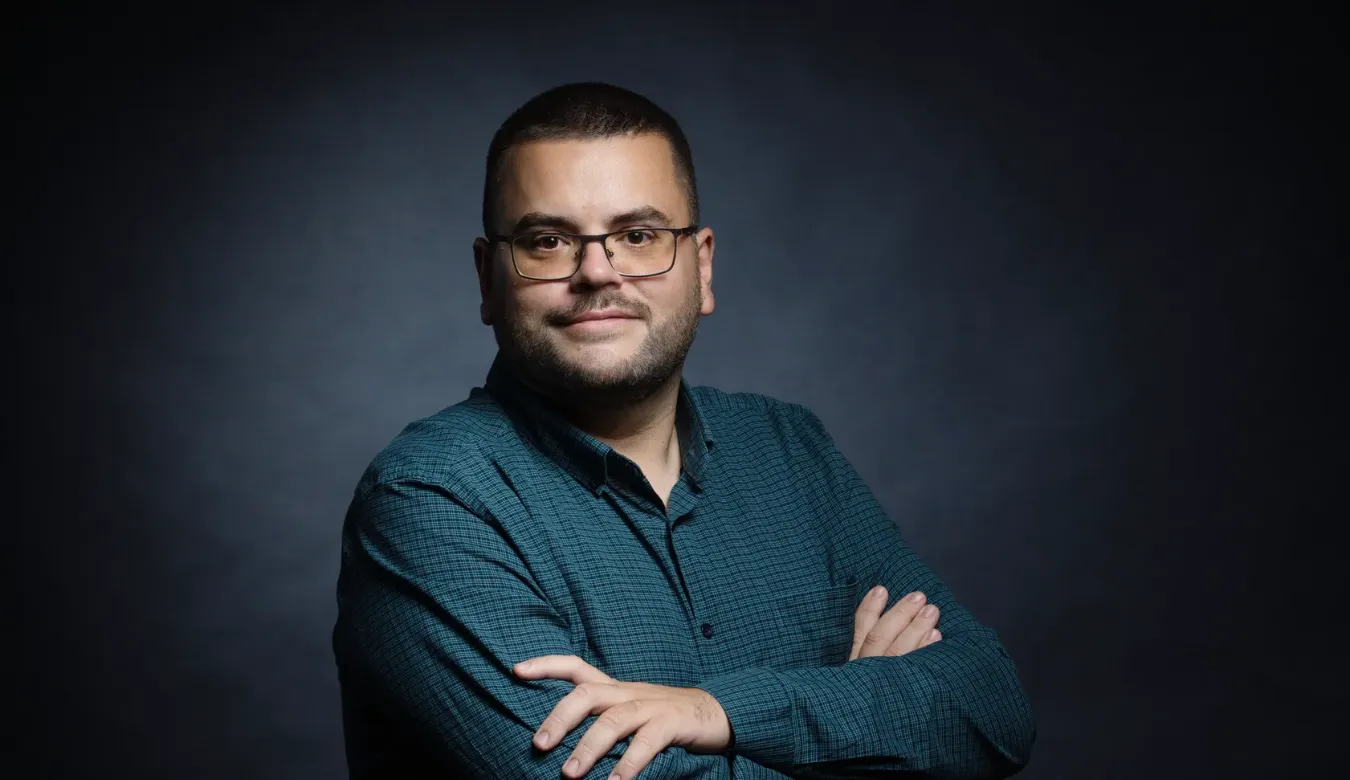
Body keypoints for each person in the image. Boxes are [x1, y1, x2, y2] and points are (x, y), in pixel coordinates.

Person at [331, 82, 1035, 779]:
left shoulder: (788, 447)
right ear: (489, 279)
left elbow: (993, 710)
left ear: (702, 265)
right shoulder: (429, 499)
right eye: (548, 241)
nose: (597, 272)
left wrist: (716, 712)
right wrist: (872, 723)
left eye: (638, 236)